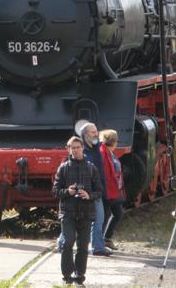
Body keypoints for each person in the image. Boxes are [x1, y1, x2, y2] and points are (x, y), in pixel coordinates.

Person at [53, 136, 102, 286]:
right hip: (68, 212)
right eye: (72, 148)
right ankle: (66, 276)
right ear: (68, 150)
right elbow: (55, 191)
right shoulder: (63, 168)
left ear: (82, 148)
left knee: (83, 245)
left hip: (86, 212)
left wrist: (89, 195)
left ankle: (79, 275)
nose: (75, 150)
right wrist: (67, 191)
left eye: (77, 147)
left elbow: (99, 191)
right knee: (67, 242)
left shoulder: (91, 167)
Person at [80, 122, 111, 256]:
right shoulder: (82, 151)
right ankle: (62, 242)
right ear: (86, 135)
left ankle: (98, 246)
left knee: (99, 218)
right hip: (87, 190)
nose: (96, 134)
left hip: (96, 191)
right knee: (79, 220)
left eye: (96, 132)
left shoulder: (97, 147)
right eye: (93, 132)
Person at [99, 129, 125, 250]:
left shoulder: (109, 152)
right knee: (105, 215)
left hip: (113, 189)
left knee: (117, 213)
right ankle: (101, 241)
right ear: (114, 142)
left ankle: (106, 239)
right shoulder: (104, 152)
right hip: (107, 190)